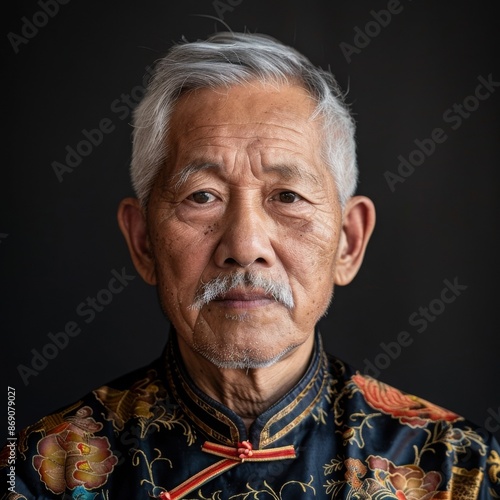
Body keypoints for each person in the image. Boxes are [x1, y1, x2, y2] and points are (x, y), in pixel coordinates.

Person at [1, 31, 499, 500]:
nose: (244, 244)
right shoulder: (41, 473)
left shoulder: (459, 470)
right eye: (202, 196)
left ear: (348, 241)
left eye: (287, 196)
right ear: (143, 240)